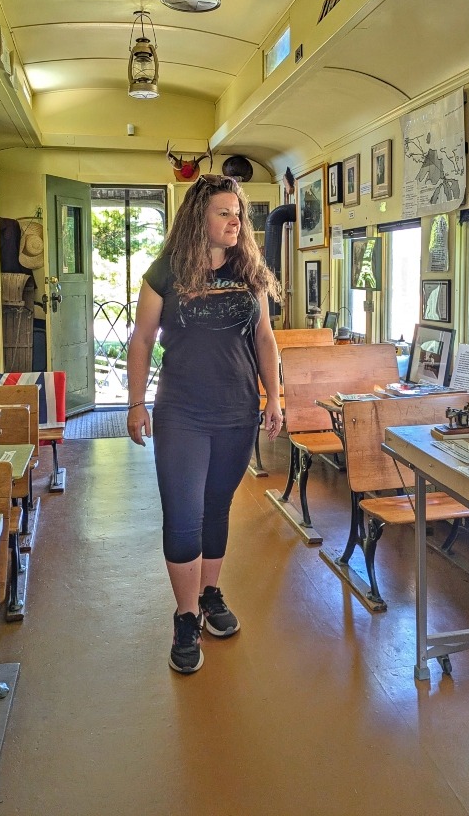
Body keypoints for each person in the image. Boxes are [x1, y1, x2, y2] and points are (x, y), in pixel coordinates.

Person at [127, 174, 282, 674]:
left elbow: (263, 340)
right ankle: (186, 614)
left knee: (216, 510)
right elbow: (142, 341)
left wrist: (273, 398)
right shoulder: (166, 271)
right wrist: (135, 403)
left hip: (238, 411)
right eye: (224, 212)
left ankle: (210, 592)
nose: (235, 220)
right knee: (183, 515)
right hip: (182, 414)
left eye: (238, 213)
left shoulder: (249, 271)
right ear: (200, 218)